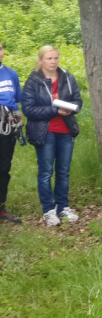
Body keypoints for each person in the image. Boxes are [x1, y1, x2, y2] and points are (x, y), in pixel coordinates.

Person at [21, 46, 83, 226]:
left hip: (66, 130)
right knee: (46, 172)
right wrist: (55, 110)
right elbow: (28, 109)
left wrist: (72, 109)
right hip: (45, 132)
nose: (53, 62)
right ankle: (48, 210)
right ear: (41, 60)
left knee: (63, 171)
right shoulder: (33, 81)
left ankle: (63, 207)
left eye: (56, 58)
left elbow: (78, 100)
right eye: (49, 58)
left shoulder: (67, 77)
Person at [0, 41, 23, 223]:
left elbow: (16, 99)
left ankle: (1, 208)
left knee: (3, 167)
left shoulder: (11, 74)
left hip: (7, 126)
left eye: (0, 48)